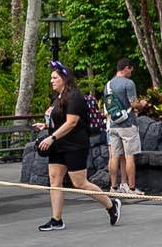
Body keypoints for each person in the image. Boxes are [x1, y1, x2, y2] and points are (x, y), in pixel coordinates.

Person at [36, 62, 119, 231]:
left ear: (64, 79)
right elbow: (59, 119)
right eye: (51, 78)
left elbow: (72, 122)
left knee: (79, 183)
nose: (51, 81)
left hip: (75, 144)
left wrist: (51, 137)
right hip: (58, 145)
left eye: (55, 78)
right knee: (54, 179)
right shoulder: (56, 98)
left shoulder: (74, 96)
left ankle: (111, 205)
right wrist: (45, 126)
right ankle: (56, 219)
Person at [102, 57, 146, 198]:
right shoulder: (128, 83)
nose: (131, 72)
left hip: (113, 125)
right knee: (129, 157)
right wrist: (143, 104)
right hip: (127, 125)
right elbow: (134, 103)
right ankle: (132, 189)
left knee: (114, 157)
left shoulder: (108, 84)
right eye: (131, 69)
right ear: (126, 68)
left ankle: (113, 187)